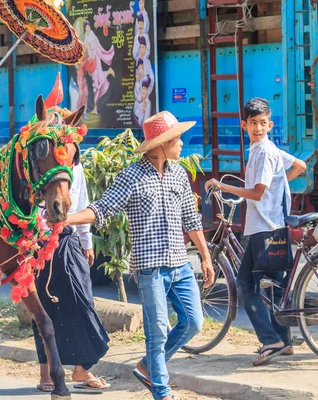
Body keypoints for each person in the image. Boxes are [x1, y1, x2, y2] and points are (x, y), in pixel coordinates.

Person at [52, 111, 215, 400]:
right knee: (157, 334)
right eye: (176, 138)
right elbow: (101, 208)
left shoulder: (179, 174)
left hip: (180, 264)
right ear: (161, 143)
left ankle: (146, 367)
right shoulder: (131, 176)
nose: (181, 144)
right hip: (150, 268)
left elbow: (191, 221)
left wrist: (205, 257)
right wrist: (66, 220)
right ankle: (161, 392)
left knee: (193, 322)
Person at [205, 98, 307, 366]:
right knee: (273, 287)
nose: (258, 128)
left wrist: (224, 187)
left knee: (245, 285)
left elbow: (257, 192)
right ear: (244, 125)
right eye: (253, 123)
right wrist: (279, 183)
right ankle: (283, 342)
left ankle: (270, 340)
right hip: (277, 225)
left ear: (269, 124)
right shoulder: (270, 148)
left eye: (263, 123)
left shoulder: (262, 151)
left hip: (262, 227)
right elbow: (301, 165)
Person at [33, 162, 110, 392]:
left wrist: (86, 242)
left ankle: (81, 368)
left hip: (69, 241)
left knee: (82, 302)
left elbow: (81, 201)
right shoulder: (36, 165)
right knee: (43, 306)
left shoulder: (76, 167)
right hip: (39, 243)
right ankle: (45, 373)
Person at [83, 20, 115, 114]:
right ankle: (95, 108)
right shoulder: (86, 37)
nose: (88, 28)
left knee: (97, 83)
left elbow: (94, 49)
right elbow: (86, 49)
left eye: (88, 27)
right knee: (95, 86)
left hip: (95, 62)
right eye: (86, 27)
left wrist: (90, 56)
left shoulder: (92, 36)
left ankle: (108, 71)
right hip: (92, 62)